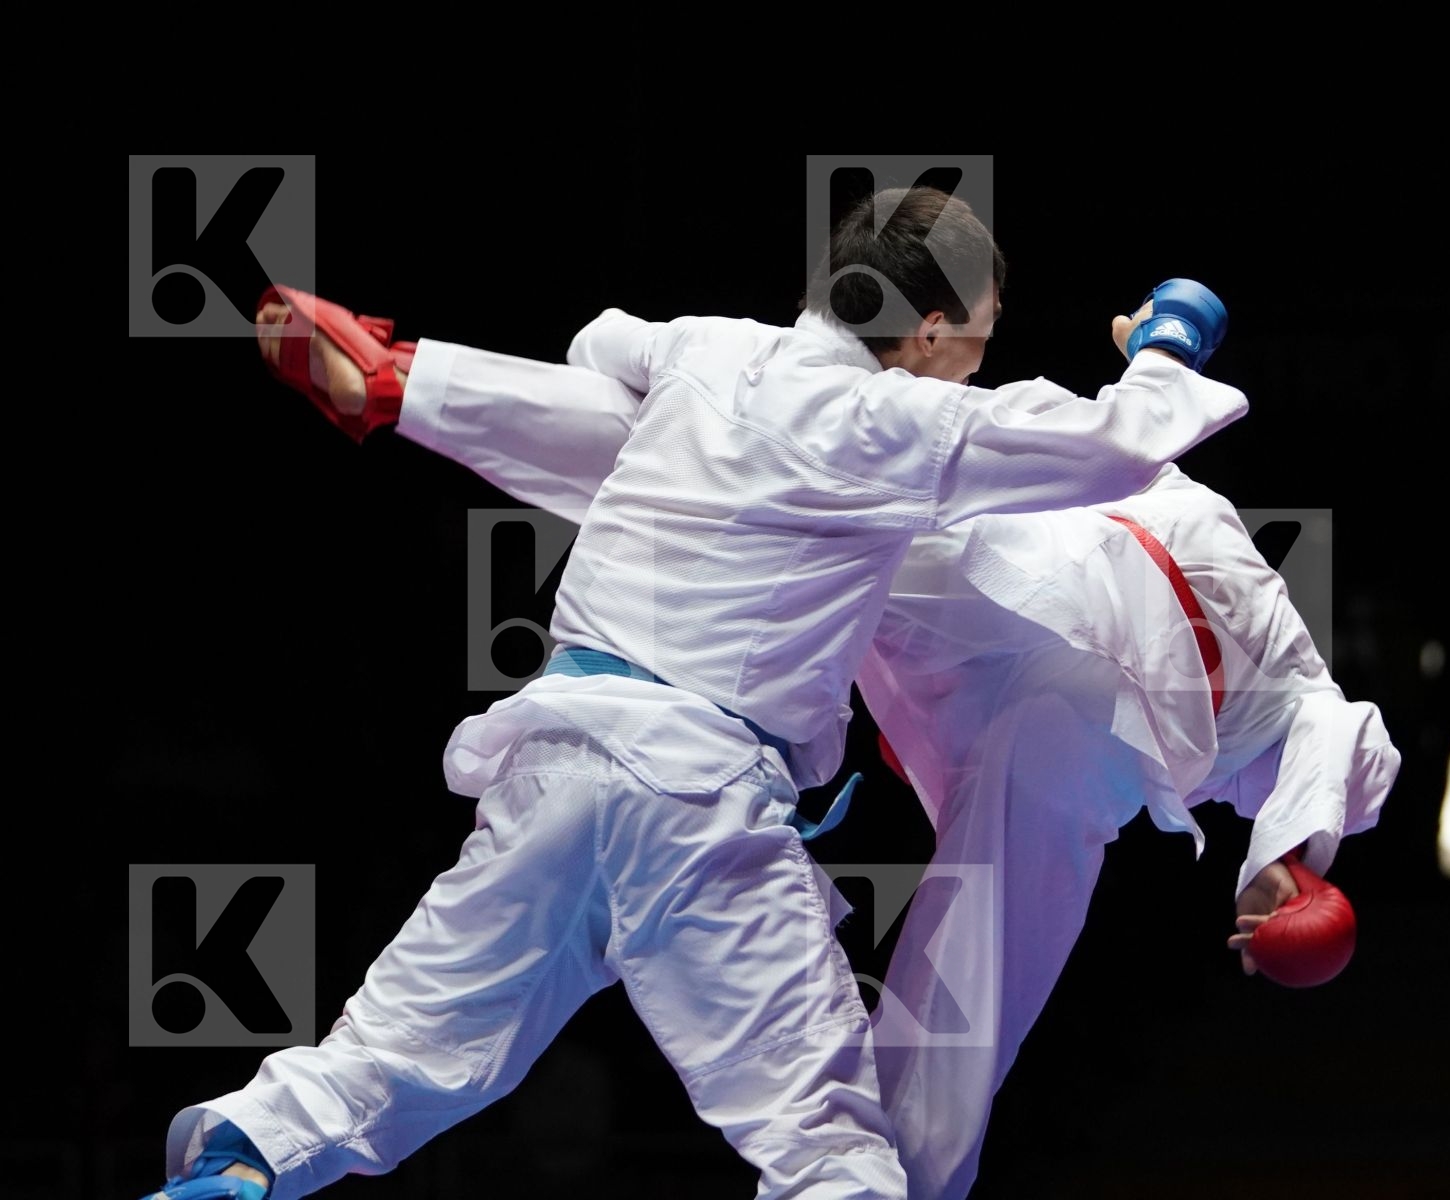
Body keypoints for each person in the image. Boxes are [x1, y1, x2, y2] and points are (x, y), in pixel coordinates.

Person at [142, 186, 1248, 1200]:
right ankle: (412, 383)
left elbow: (595, 341)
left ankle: (231, 1173)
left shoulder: (704, 345)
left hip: (557, 757)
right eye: (978, 335)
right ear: (926, 332)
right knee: (830, 1151)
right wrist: (1167, 344)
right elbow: (1114, 448)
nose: (974, 363)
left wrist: (667, 409)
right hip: (699, 801)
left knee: (386, 1058)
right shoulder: (903, 422)